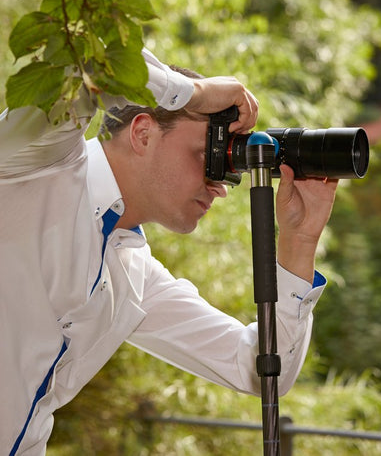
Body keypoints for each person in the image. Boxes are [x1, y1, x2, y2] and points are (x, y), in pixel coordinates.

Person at [0, 49, 338, 455]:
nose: (219, 186)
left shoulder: (133, 275)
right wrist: (196, 95)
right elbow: (85, 59)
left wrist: (299, 242)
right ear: (143, 133)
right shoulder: (39, 162)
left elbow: (260, 369)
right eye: (207, 155)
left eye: (226, 168)